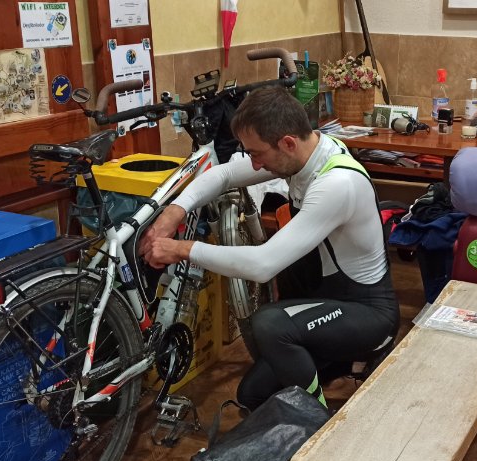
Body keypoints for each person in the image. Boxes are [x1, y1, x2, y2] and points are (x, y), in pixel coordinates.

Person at [140, 86, 399, 410]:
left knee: (270, 324)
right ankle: (331, 363)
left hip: (368, 314)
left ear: (287, 143)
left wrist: (182, 249)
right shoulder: (307, 153)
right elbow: (224, 175)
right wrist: (175, 211)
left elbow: (263, 265)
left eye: (257, 153)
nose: (255, 164)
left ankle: (316, 424)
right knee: (253, 396)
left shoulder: (337, 184)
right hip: (325, 303)